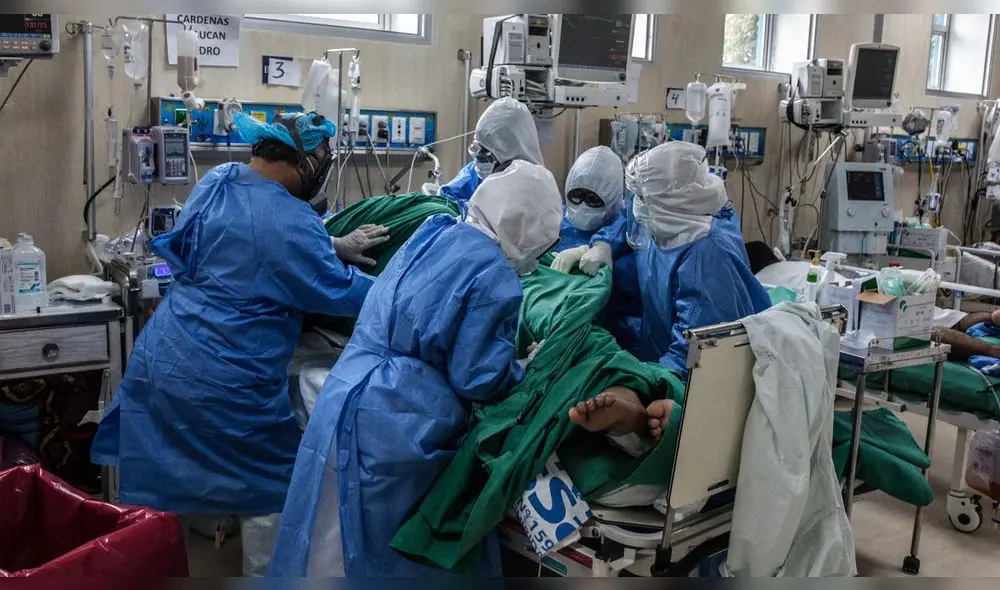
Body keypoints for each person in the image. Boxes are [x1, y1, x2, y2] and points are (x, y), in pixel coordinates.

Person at [91, 112, 389, 577]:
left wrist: (326, 242)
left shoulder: (219, 180)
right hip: (228, 378)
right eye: (320, 161)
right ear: (302, 162)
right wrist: (405, 287)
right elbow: (339, 290)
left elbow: (235, 240)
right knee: (269, 496)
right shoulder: (291, 218)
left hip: (165, 360)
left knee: (158, 513)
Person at [269, 160, 563, 577]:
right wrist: (524, 366)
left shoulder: (435, 231)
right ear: (528, 229)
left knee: (323, 530)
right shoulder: (494, 275)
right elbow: (478, 377)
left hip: (345, 386)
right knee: (378, 551)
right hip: (398, 418)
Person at [628, 142, 771, 378]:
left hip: (689, 382)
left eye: (642, 197)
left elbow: (695, 351)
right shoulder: (667, 225)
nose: (636, 203)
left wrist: (649, 383)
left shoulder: (706, 253)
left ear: (671, 198)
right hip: (659, 364)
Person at [745, 240, 1000, 363]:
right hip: (857, 285)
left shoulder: (759, 282)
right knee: (934, 315)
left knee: (919, 331)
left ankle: (991, 351)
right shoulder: (797, 264)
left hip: (840, 303)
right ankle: (990, 317)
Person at [551, 146, 642, 353]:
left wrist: (600, 246)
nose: (583, 205)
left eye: (593, 199)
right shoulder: (556, 220)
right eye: (576, 195)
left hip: (610, 339)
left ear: (612, 198)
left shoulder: (627, 232)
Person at [438, 97, 544, 205]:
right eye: (478, 147)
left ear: (510, 154)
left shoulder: (537, 187)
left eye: (485, 152)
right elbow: (446, 199)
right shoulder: (473, 175)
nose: (478, 158)